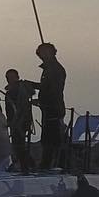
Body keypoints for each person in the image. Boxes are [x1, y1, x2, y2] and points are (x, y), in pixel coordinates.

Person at [34, 42, 67, 170]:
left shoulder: (55, 69)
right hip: (48, 109)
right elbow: (46, 87)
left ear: (52, 53)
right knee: (48, 138)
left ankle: (53, 165)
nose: (42, 56)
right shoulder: (49, 69)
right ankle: (48, 164)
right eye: (41, 53)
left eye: (45, 53)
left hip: (53, 109)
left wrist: (42, 101)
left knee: (52, 139)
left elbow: (53, 89)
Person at [2, 69, 36, 173]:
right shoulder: (15, 90)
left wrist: (16, 122)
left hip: (20, 122)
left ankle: (27, 167)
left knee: (19, 145)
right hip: (17, 121)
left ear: (17, 77)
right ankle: (28, 166)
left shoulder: (19, 90)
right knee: (19, 145)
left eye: (11, 77)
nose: (10, 79)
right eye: (8, 78)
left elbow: (21, 107)